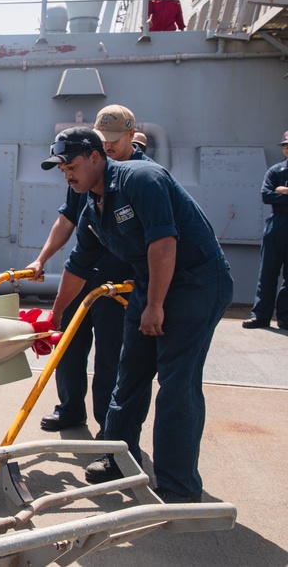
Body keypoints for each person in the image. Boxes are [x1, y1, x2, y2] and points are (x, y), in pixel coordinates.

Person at [41, 126, 232, 504]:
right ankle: (118, 459)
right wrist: (57, 315)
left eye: (72, 166)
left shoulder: (142, 180)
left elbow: (164, 242)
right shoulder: (92, 210)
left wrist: (156, 305)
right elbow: (77, 267)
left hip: (195, 283)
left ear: (96, 157)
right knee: (128, 377)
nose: (67, 174)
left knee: (177, 384)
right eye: (62, 170)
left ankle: (179, 485)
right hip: (150, 283)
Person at [26, 105, 150, 438]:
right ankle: (70, 407)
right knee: (68, 343)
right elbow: (67, 218)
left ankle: (108, 427)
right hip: (83, 273)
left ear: (130, 136)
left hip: (118, 283)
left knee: (111, 356)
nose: (108, 146)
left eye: (114, 140)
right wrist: (41, 259)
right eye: (102, 139)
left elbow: (160, 238)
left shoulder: (141, 176)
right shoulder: (83, 170)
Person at [242, 130, 288, 330]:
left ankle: (285, 317)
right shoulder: (275, 171)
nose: (286, 148)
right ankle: (260, 316)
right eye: (285, 145)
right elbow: (267, 195)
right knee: (267, 271)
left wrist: (283, 191)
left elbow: (274, 193)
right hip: (277, 224)